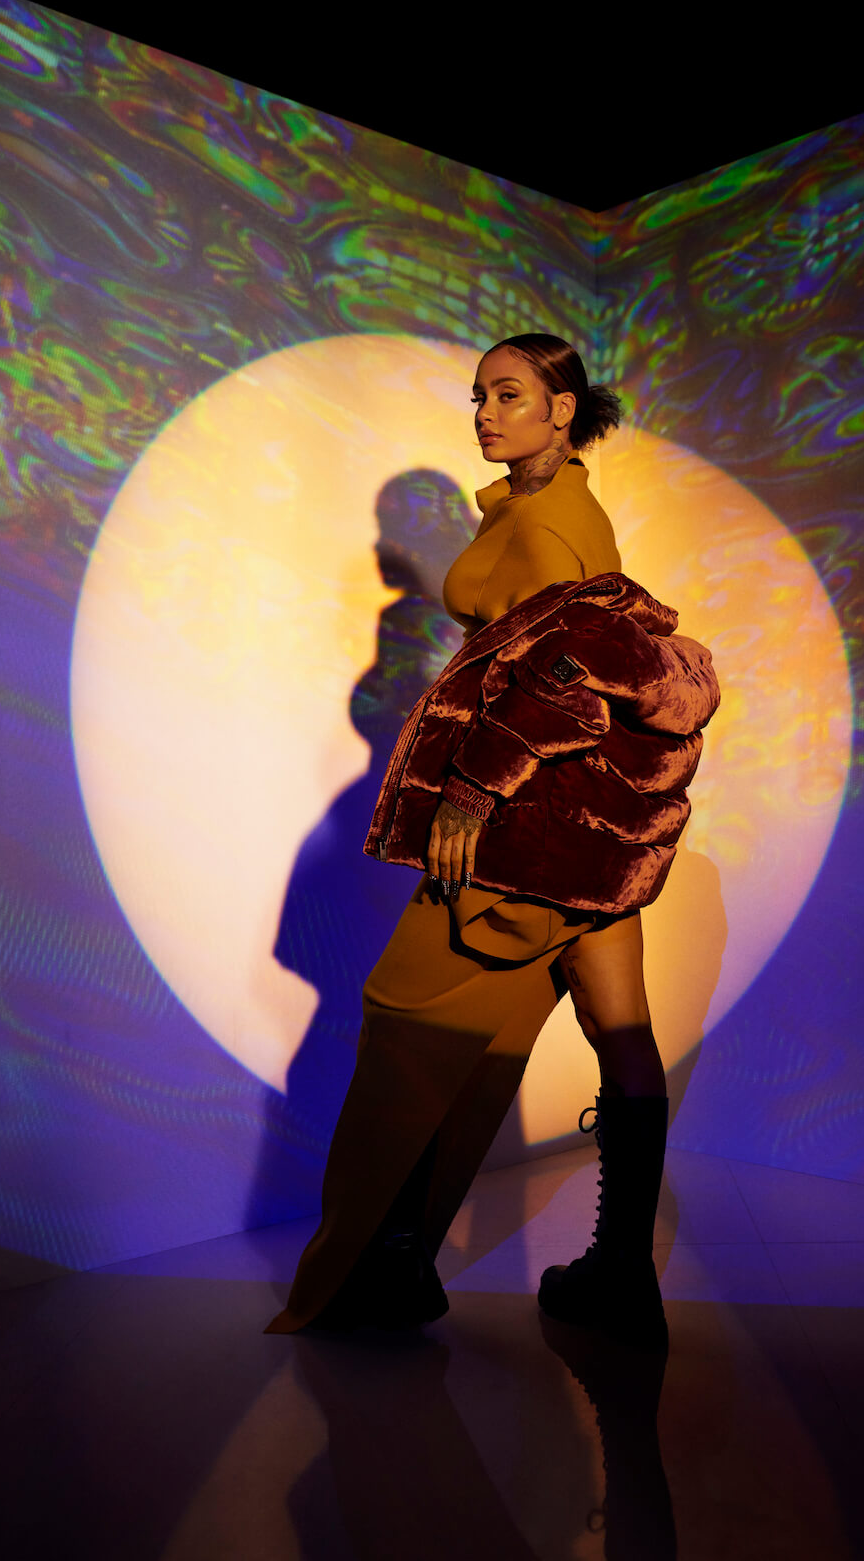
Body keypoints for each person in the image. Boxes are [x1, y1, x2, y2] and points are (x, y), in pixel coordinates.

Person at [266, 333, 720, 1348]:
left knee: (409, 1022)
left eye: (509, 395)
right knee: (621, 1030)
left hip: (531, 827)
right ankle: (618, 1273)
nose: (485, 413)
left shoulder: (554, 523)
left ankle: (381, 1267)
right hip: (595, 836)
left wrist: (476, 788)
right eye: (478, 396)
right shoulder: (537, 507)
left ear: (563, 409)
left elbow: (580, 669)